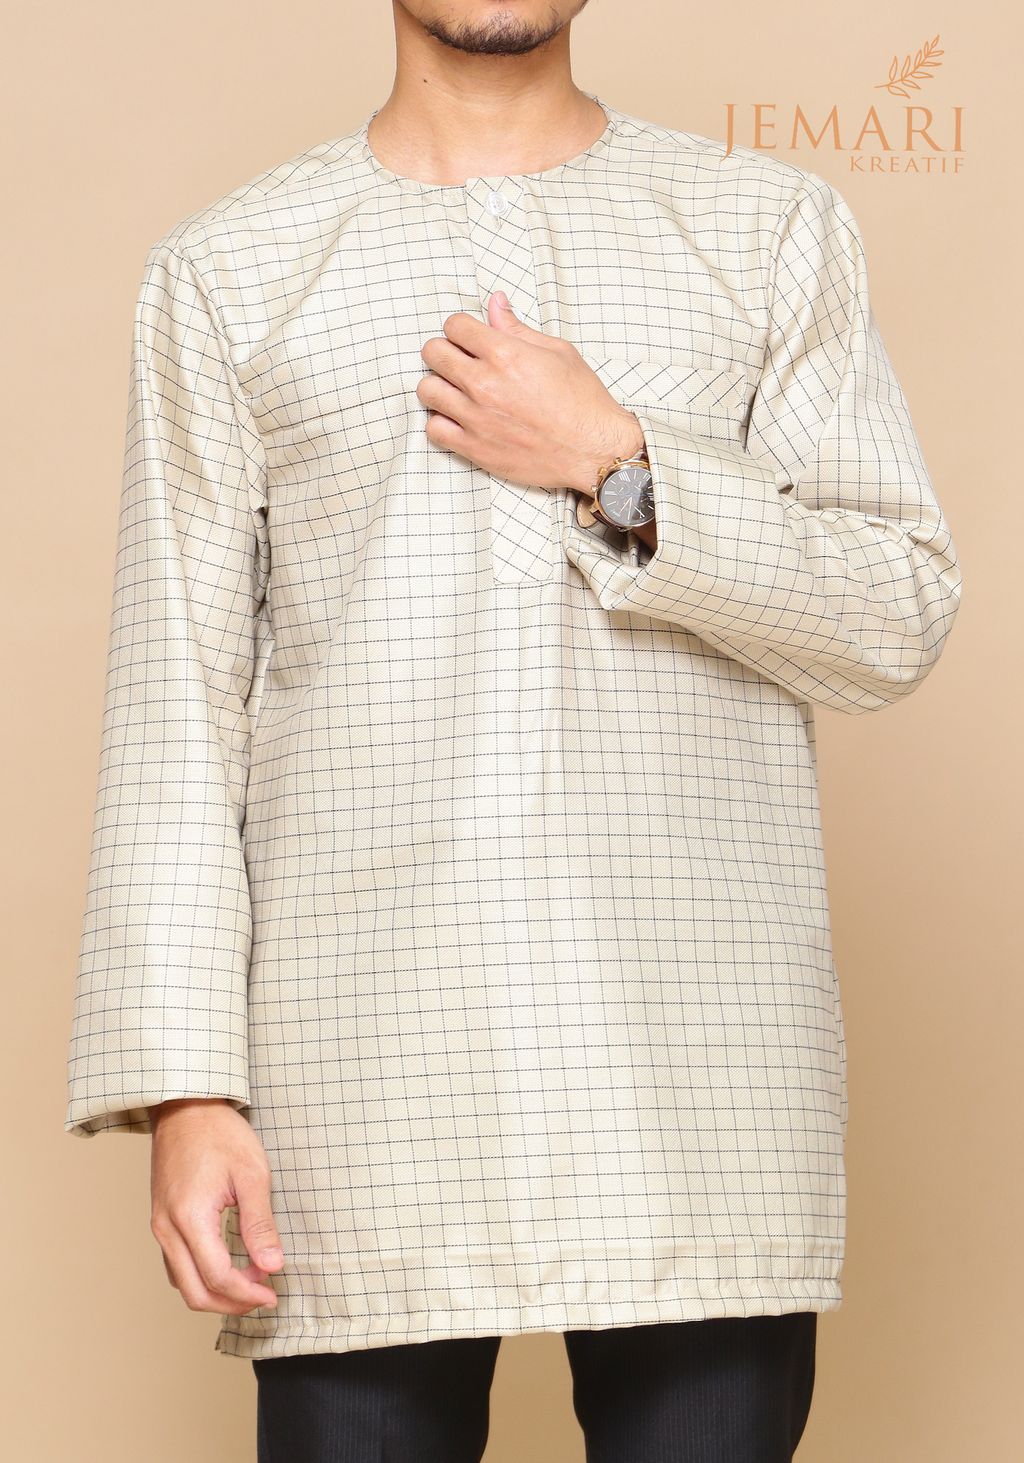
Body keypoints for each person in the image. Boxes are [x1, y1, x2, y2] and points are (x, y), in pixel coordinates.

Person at [64, 3, 963, 1459]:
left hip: (695, 1069)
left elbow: (894, 610)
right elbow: (178, 698)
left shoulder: (764, 229)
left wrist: (619, 464)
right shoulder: (232, 268)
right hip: (359, 1078)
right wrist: (187, 1089)